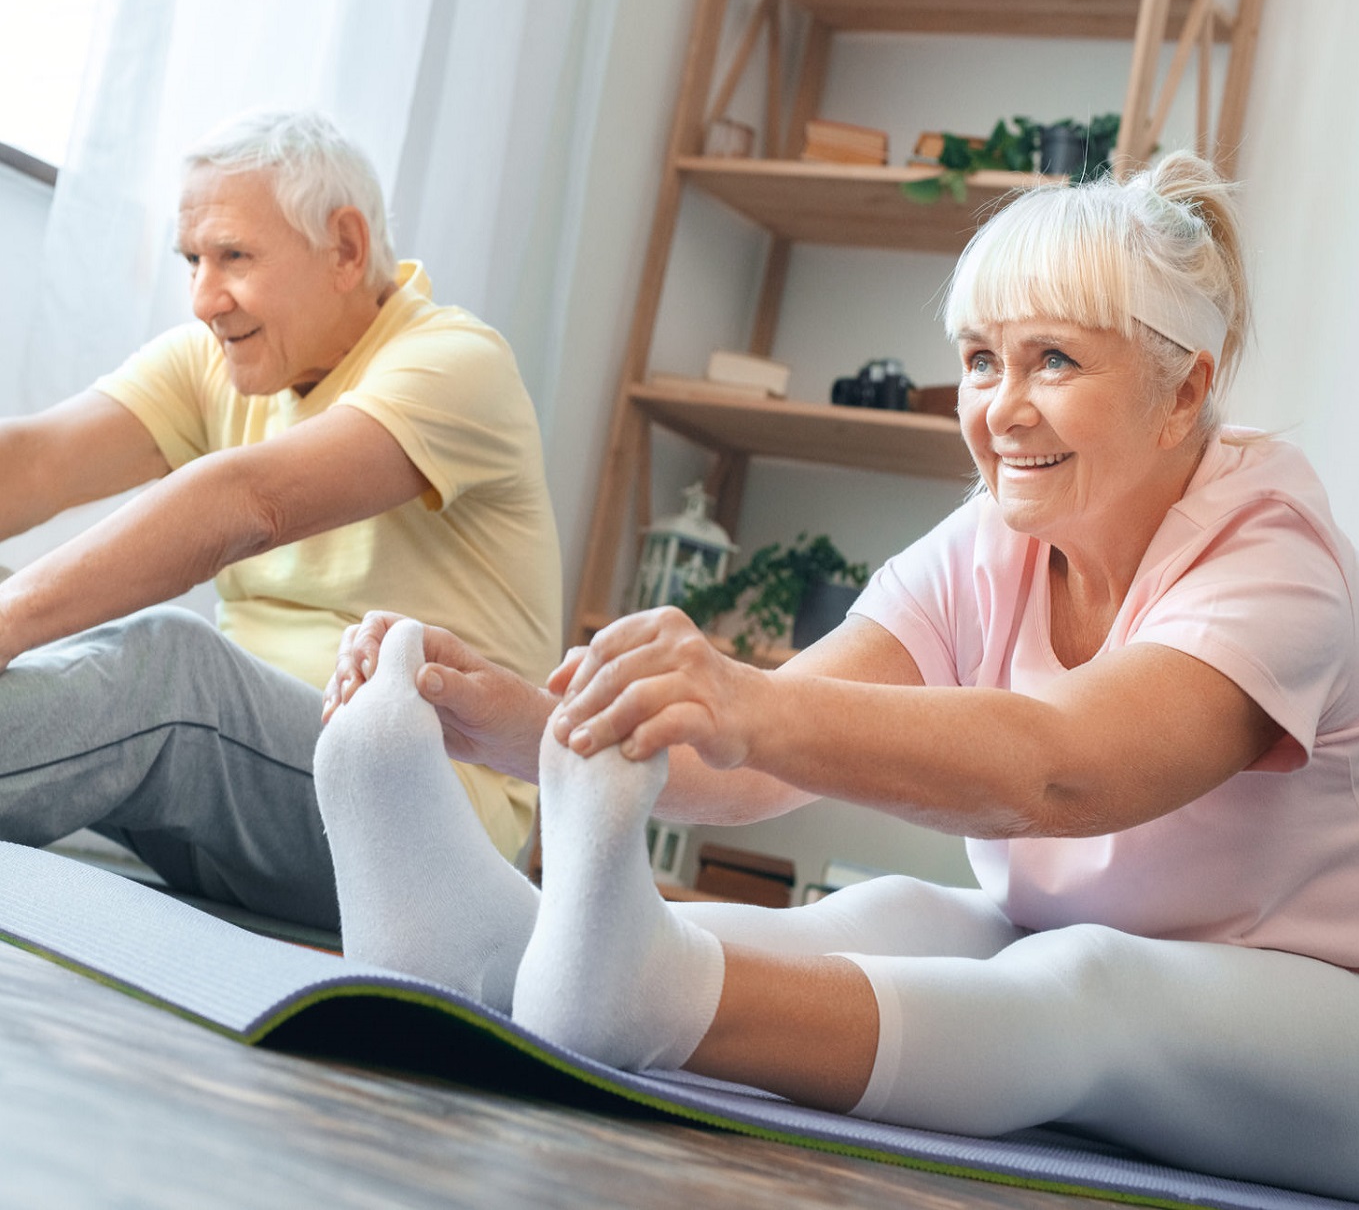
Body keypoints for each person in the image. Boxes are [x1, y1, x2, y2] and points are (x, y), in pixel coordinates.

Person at [315, 152, 1359, 1201]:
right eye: (983, 361)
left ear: (1184, 390)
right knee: (897, 915)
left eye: (1054, 361)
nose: (1001, 409)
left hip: (1320, 1026)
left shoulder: (1273, 552)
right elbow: (749, 769)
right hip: (1085, 940)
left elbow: (1066, 774)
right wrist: (512, 720)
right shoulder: (992, 538)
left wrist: (749, 704)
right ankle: (488, 956)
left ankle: (657, 998)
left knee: (1087, 987)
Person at [0, 108, 560, 929]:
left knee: (173, 667)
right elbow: (36, 462)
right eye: (192, 259)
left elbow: (244, 504)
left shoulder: (455, 364)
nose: (202, 297)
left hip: (427, 834)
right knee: (83, 628)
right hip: (250, 796)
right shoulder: (216, 363)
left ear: (344, 247)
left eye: (233, 257)